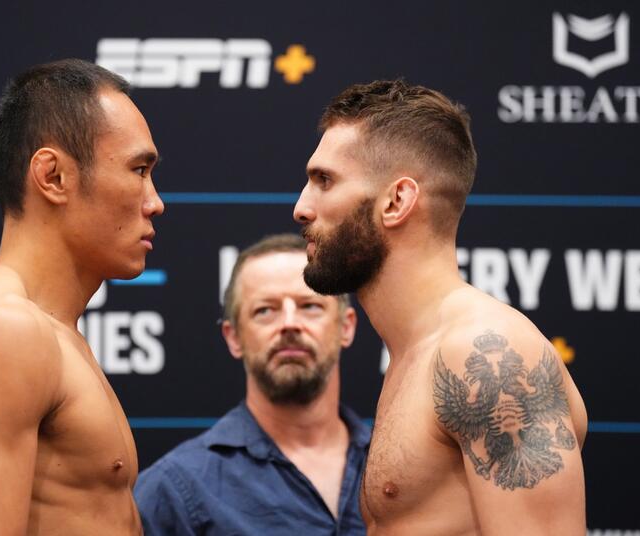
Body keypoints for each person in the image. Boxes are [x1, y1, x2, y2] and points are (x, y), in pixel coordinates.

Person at [293, 80, 587, 535]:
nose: (301, 207)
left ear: (397, 201)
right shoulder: (418, 352)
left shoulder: (487, 354)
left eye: (324, 181)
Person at [0, 59, 164, 535]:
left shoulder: (52, 331)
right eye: (139, 169)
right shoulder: (1, 329)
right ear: (52, 176)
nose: (155, 201)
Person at [134, 234, 369, 535]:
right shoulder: (174, 489)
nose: (289, 324)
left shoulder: (401, 469)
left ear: (346, 327)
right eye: (265, 310)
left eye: (309, 306)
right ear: (233, 337)